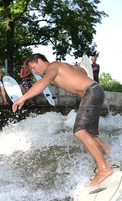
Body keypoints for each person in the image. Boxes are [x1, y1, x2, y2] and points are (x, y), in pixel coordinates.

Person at [12, 53, 112, 186]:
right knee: (86, 129)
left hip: (91, 92)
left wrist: (22, 98)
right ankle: (107, 150)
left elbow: (43, 83)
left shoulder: (52, 67)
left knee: (80, 131)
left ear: (40, 61)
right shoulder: (61, 66)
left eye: (33, 67)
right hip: (95, 91)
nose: (33, 72)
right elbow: (82, 70)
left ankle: (104, 169)